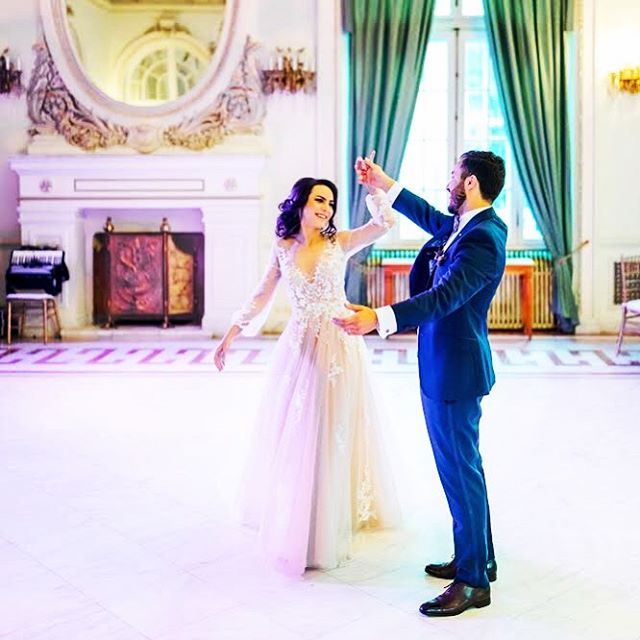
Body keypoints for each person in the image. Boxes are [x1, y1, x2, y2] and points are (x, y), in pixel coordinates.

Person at [333, 151, 507, 617]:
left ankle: (473, 582)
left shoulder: (483, 238)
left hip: (456, 371)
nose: (447, 180)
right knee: (462, 468)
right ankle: (479, 557)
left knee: (460, 471)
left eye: (452, 174)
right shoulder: (468, 225)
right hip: (446, 365)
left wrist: (380, 318)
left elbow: (446, 297)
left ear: (469, 184)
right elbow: (429, 216)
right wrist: (382, 182)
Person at [214, 176, 399, 576]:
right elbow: (263, 292)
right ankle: (302, 513)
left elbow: (385, 224)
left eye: (331, 202)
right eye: (319, 200)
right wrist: (233, 330)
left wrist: (373, 189)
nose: (326, 208)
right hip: (298, 349)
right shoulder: (283, 248)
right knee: (300, 430)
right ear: (300, 203)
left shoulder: (342, 241)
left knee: (334, 428)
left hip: (338, 345)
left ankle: (334, 512)